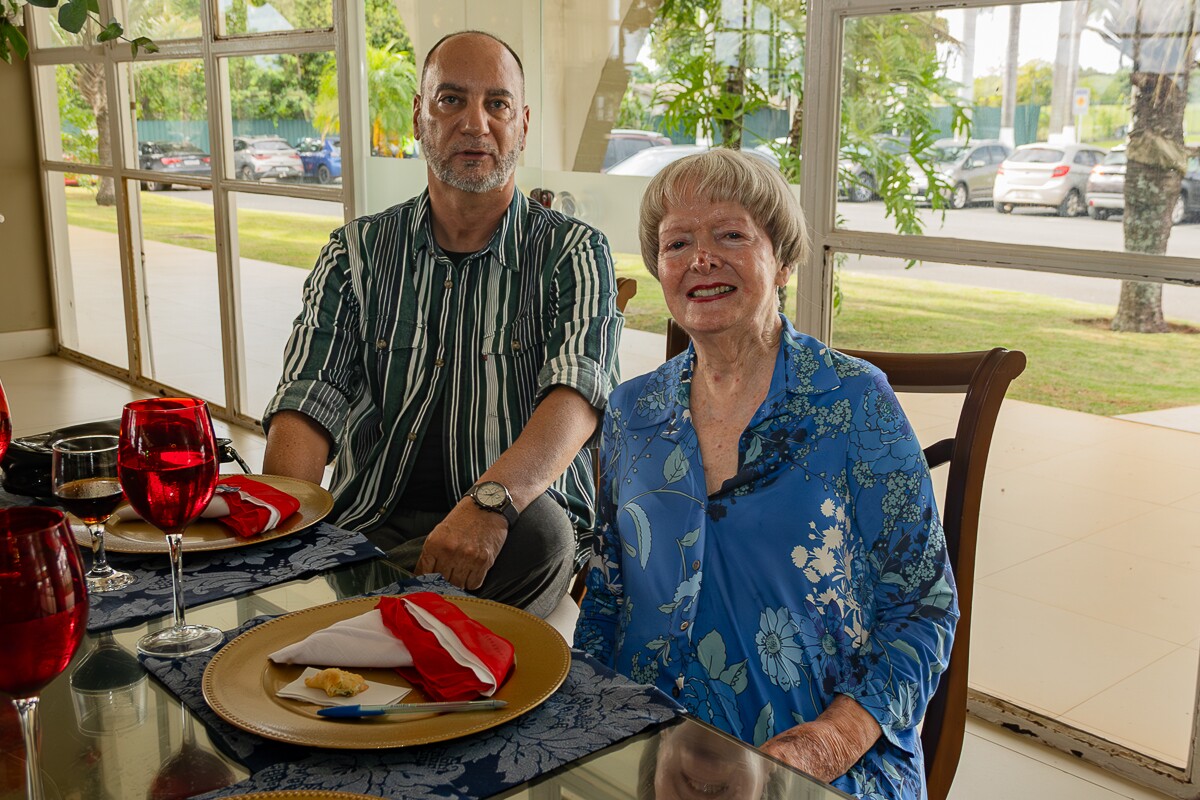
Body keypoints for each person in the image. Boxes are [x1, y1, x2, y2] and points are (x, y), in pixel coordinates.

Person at [574, 149, 956, 799]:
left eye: (730, 234)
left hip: (818, 761)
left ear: (781, 259)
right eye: (677, 243)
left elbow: (925, 612)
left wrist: (823, 744)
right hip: (648, 753)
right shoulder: (632, 410)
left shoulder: (855, 403)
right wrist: (589, 735)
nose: (701, 258)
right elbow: (609, 593)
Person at [262, 30, 622, 618]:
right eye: (450, 100)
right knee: (305, 552)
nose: (475, 124)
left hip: (511, 522)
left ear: (522, 123)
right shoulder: (357, 251)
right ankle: (404, 624)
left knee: (545, 537)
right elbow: (309, 396)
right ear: (419, 118)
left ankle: (366, 623)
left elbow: (577, 396)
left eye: (497, 104)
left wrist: (488, 505)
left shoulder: (573, 252)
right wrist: (282, 528)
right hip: (373, 520)